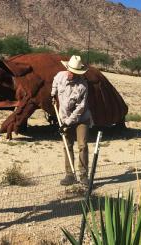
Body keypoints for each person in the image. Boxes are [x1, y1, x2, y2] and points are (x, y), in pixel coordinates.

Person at [51, 55, 92, 186]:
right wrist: (53, 93)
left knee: (82, 146)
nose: (71, 74)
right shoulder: (60, 76)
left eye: (74, 73)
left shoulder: (83, 86)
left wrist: (67, 123)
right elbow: (55, 83)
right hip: (64, 117)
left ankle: (84, 175)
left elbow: (80, 108)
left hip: (81, 119)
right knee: (67, 145)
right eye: (70, 70)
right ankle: (70, 175)